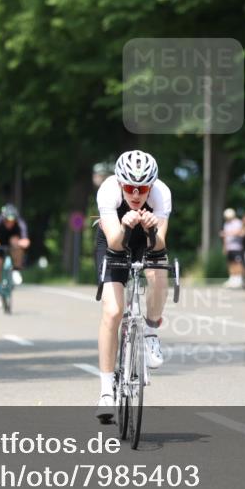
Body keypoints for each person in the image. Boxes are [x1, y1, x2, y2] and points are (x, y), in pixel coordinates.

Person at [93, 150, 172, 423]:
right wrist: (126, 225)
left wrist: (151, 229)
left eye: (142, 188)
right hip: (115, 235)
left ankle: (150, 333)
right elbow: (115, 243)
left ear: (151, 186)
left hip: (145, 238)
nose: (136, 194)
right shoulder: (108, 192)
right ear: (120, 183)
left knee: (159, 274)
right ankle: (105, 391)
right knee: (113, 311)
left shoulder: (161, 194)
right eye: (130, 187)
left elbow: (159, 244)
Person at [0, 204, 30, 308]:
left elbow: (25, 239)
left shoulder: (20, 223)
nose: (10, 222)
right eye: (8, 220)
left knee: (16, 242)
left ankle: (16, 270)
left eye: (12, 220)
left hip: (12, 245)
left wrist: (23, 242)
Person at [220, 208, 245, 288]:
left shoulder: (238, 222)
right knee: (230, 263)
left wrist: (226, 233)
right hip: (229, 247)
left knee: (237, 263)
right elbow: (225, 238)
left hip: (236, 247)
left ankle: (239, 279)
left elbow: (239, 232)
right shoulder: (226, 224)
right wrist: (225, 246)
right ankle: (232, 278)